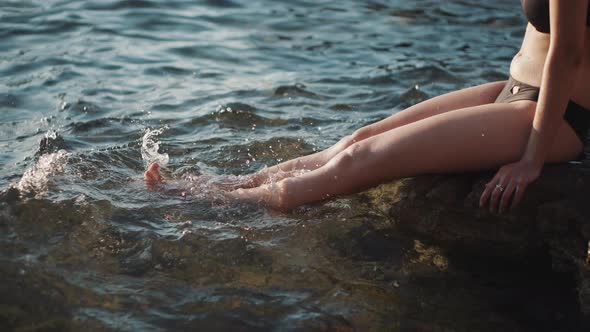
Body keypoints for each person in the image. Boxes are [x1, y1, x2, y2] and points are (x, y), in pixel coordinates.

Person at [146, 0, 590, 213]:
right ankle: (231, 183)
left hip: (557, 115)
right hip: (515, 89)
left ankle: (212, 205)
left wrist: (532, 159)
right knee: (355, 139)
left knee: (358, 161)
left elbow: (567, 54)